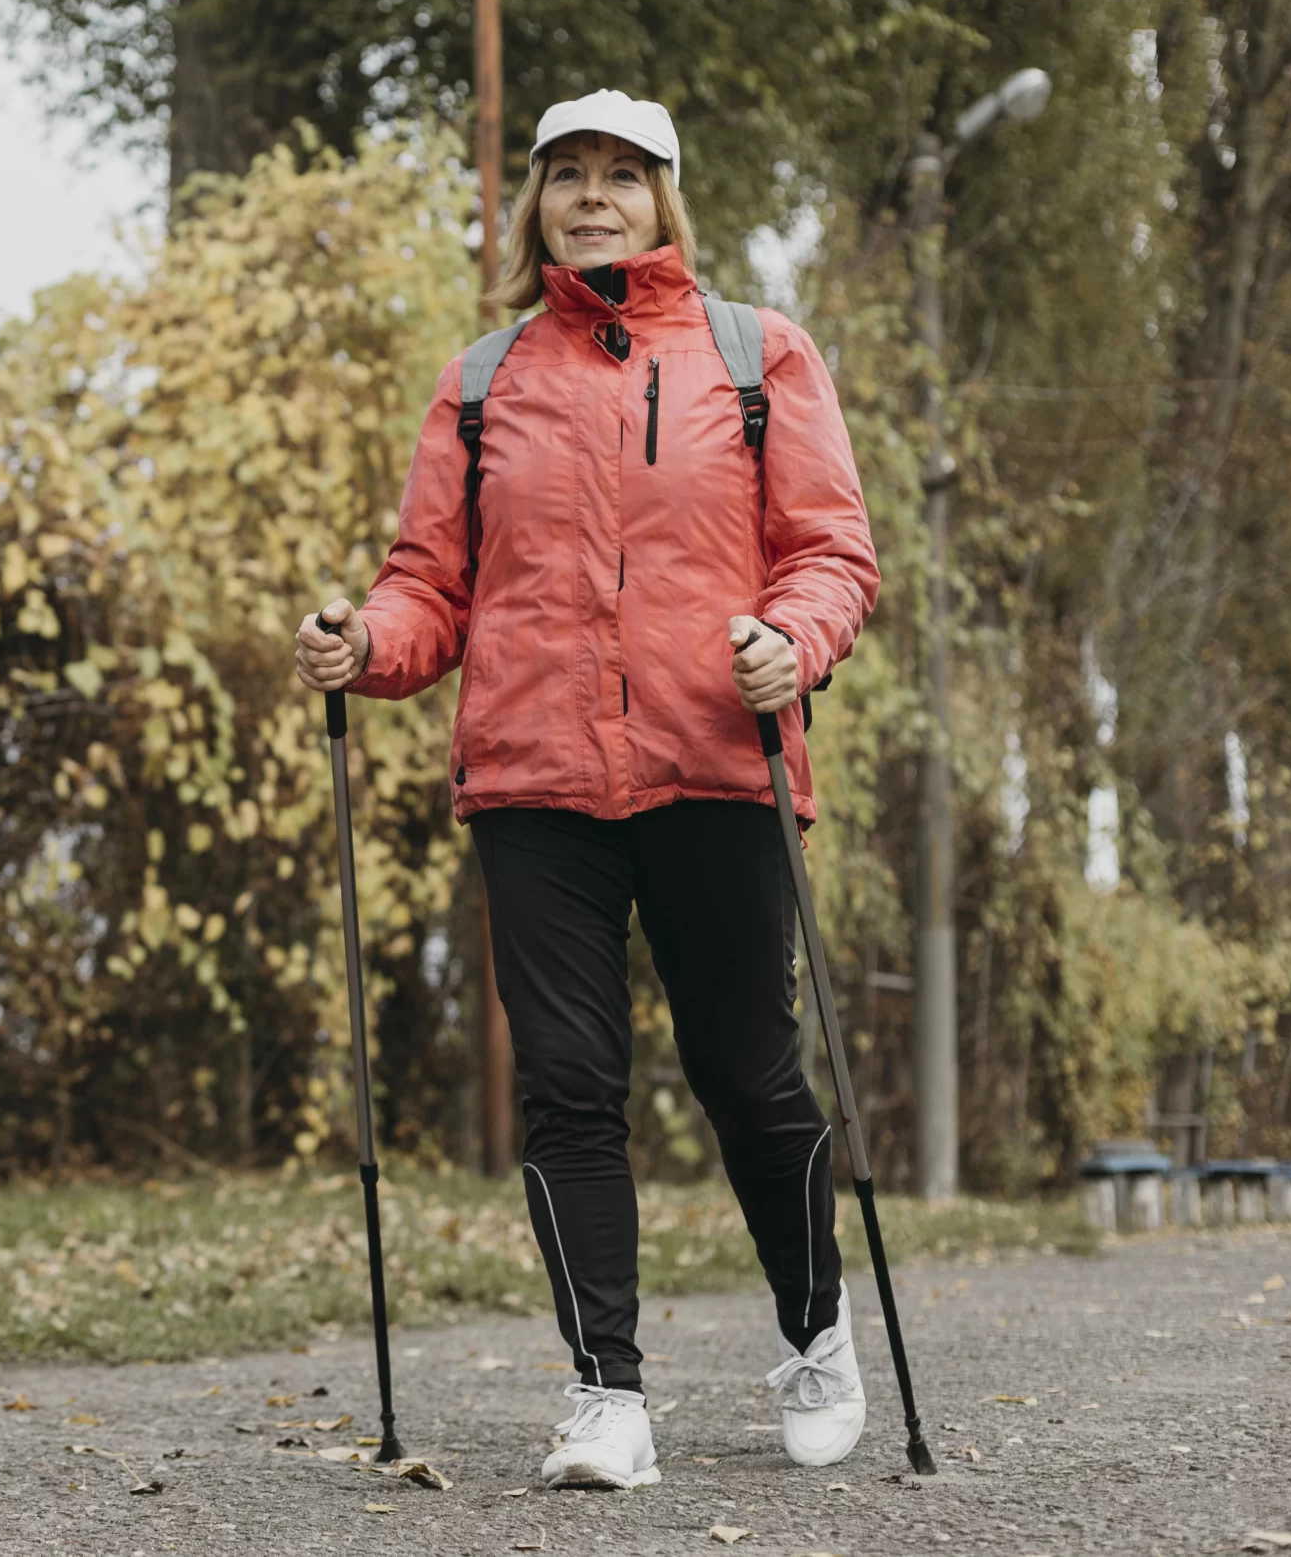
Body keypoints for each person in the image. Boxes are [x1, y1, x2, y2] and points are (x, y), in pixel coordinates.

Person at [294, 90, 881, 1490]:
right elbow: (431, 583)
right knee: (567, 1087)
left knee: (752, 1078)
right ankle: (605, 1393)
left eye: (624, 175)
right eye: (570, 176)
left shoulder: (759, 357)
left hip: (714, 768)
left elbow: (832, 553)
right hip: (536, 782)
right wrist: (366, 642)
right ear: (537, 203)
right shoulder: (484, 377)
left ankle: (816, 1330)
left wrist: (785, 644)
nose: (595, 197)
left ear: (666, 198)